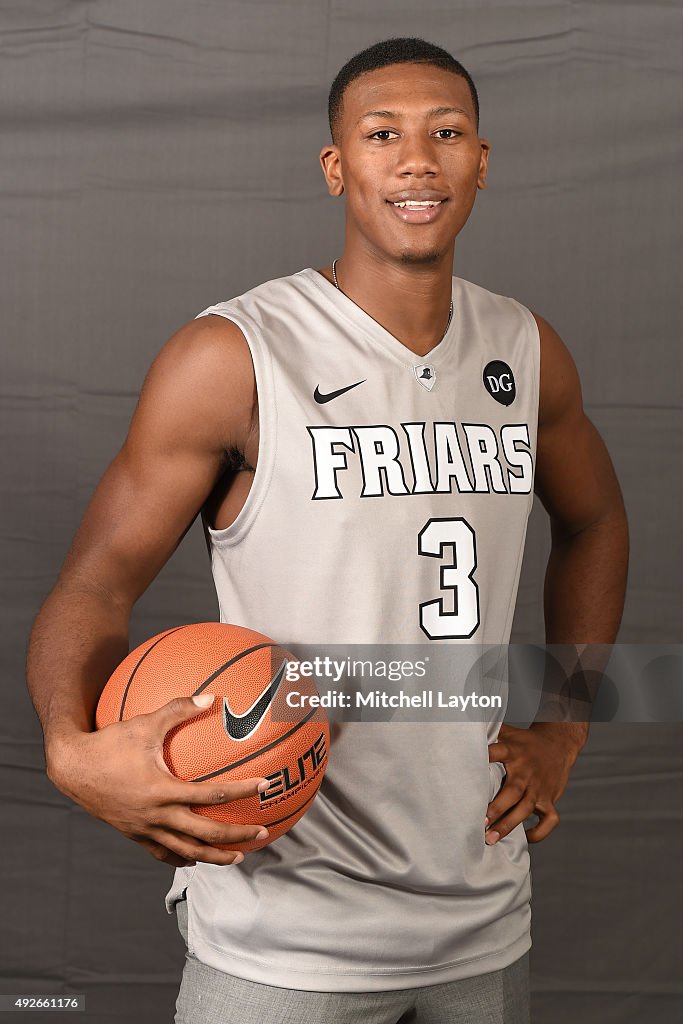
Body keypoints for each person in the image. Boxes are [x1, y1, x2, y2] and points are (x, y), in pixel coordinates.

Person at [26, 36, 628, 1024]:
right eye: (381, 134)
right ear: (336, 166)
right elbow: (95, 580)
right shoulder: (235, 354)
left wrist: (561, 725)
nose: (417, 159)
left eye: (446, 133)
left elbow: (596, 521)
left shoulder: (523, 348)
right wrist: (67, 745)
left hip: (479, 911)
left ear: (481, 160)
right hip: (280, 927)